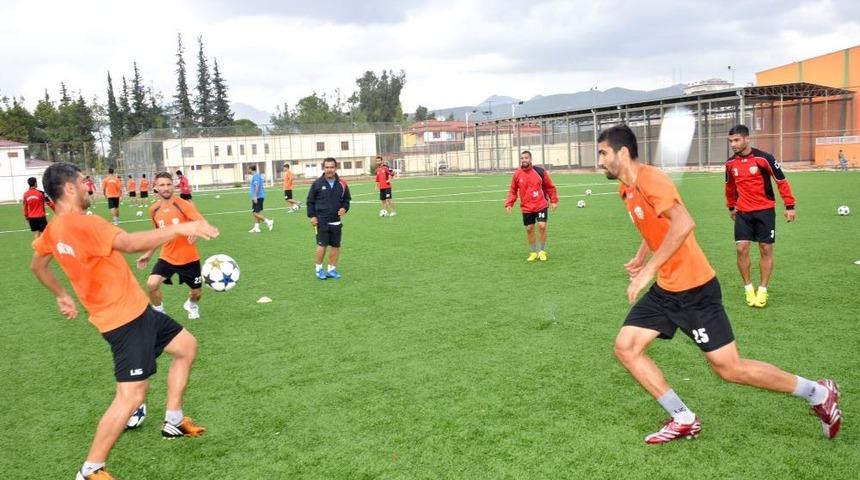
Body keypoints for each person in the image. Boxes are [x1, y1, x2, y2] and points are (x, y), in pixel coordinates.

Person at [596, 124, 841, 445]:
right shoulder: (626, 189)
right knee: (626, 348)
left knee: (730, 369)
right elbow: (657, 224)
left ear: (622, 153)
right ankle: (683, 418)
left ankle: (818, 393)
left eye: (603, 153)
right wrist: (642, 256)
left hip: (695, 290)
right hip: (667, 290)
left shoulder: (650, 179)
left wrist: (647, 272)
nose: (599, 160)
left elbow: (684, 223)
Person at [30, 162, 218, 480]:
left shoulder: (54, 228)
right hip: (123, 321)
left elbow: (38, 266)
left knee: (186, 347)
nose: (91, 187)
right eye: (84, 181)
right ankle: (91, 469)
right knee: (130, 396)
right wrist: (181, 228)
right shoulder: (81, 224)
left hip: (137, 311)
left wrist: (61, 295)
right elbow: (129, 244)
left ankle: (173, 420)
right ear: (70, 188)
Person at [725, 124, 796, 308]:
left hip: (765, 210)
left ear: (747, 139)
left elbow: (781, 181)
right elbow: (730, 187)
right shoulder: (730, 163)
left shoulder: (764, 158)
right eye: (731, 141)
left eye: (736, 140)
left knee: (765, 249)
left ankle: (762, 290)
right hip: (743, 212)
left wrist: (789, 205)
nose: (733, 144)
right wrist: (731, 206)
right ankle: (748, 288)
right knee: (741, 249)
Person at [136, 172, 207, 320]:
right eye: (162, 185)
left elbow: (200, 221)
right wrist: (148, 254)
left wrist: (196, 230)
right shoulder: (154, 209)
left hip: (189, 258)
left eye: (168, 184)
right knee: (151, 284)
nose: (166, 188)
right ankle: (160, 314)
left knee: (196, 293)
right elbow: (158, 234)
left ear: (173, 185)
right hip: (167, 257)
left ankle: (191, 305)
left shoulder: (183, 205)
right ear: (156, 187)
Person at [504, 150, 559, 262]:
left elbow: (550, 187)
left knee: (542, 226)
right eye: (522, 158)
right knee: (529, 229)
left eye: (526, 158)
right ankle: (533, 252)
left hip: (540, 204)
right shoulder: (517, 174)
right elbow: (513, 190)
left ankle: (542, 251)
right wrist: (509, 204)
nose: (524, 160)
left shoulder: (540, 171)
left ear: (530, 159)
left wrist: (553, 200)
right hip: (526, 207)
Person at [307, 157, 351, 280]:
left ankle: (331, 269)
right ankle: (319, 269)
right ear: (323, 168)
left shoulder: (342, 184)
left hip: (336, 220)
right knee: (322, 245)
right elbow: (310, 201)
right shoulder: (317, 184)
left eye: (332, 167)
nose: (329, 170)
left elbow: (346, 200)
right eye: (327, 167)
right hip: (322, 220)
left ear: (335, 168)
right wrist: (312, 216)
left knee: (336, 246)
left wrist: (344, 208)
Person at [248, 165, 274, 233]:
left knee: (254, 213)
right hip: (259, 196)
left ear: (251, 169)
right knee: (257, 213)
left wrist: (255, 196)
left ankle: (268, 221)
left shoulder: (256, 176)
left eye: (248, 169)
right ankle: (257, 228)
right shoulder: (256, 175)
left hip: (258, 197)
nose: (248, 171)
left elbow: (257, 186)